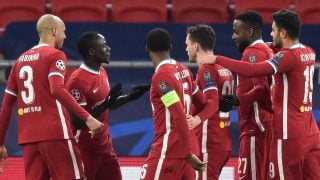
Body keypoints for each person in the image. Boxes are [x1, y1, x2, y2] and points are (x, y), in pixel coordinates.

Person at [203, 10, 320, 179]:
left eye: (273, 30)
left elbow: (253, 70)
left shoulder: (287, 57)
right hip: (312, 132)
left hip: (289, 133)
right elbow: (277, 48)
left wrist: (217, 59)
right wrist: (264, 44)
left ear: (283, 33)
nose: (271, 35)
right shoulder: (309, 51)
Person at [0, 14, 104, 180]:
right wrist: (88, 118)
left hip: (29, 138)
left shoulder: (19, 61)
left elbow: (6, 107)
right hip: (56, 134)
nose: (65, 36)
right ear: (54, 31)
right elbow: (57, 89)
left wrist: (0, 142)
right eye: (64, 31)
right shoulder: (55, 55)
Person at [66, 31, 150, 180]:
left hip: (105, 147)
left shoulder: (102, 71)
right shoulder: (77, 81)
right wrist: (106, 103)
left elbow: (107, 105)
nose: (109, 49)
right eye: (104, 46)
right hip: (85, 150)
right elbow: (78, 122)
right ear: (92, 51)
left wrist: (130, 97)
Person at [140, 28, 208, 180]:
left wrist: (188, 152)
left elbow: (177, 114)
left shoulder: (161, 77)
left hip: (168, 153)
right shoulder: (185, 70)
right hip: (187, 154)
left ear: (147, 49)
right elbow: (203, 103)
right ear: (170, 47)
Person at [219, 11, 274, 180]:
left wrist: (238, 100)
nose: (233, 36)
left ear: (249, 32)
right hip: (263, 127)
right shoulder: (266, 49)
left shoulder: (253, 53)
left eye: (237, 31)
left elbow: (261, 88)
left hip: (255, 128)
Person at [185, 24, 233, 180]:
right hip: (222, 140)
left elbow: (213, 103)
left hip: (208, 142)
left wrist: (196, 119)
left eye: (187, 45)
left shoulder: (207, 69)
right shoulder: (225, 68)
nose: (186, 49)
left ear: (196, 46)